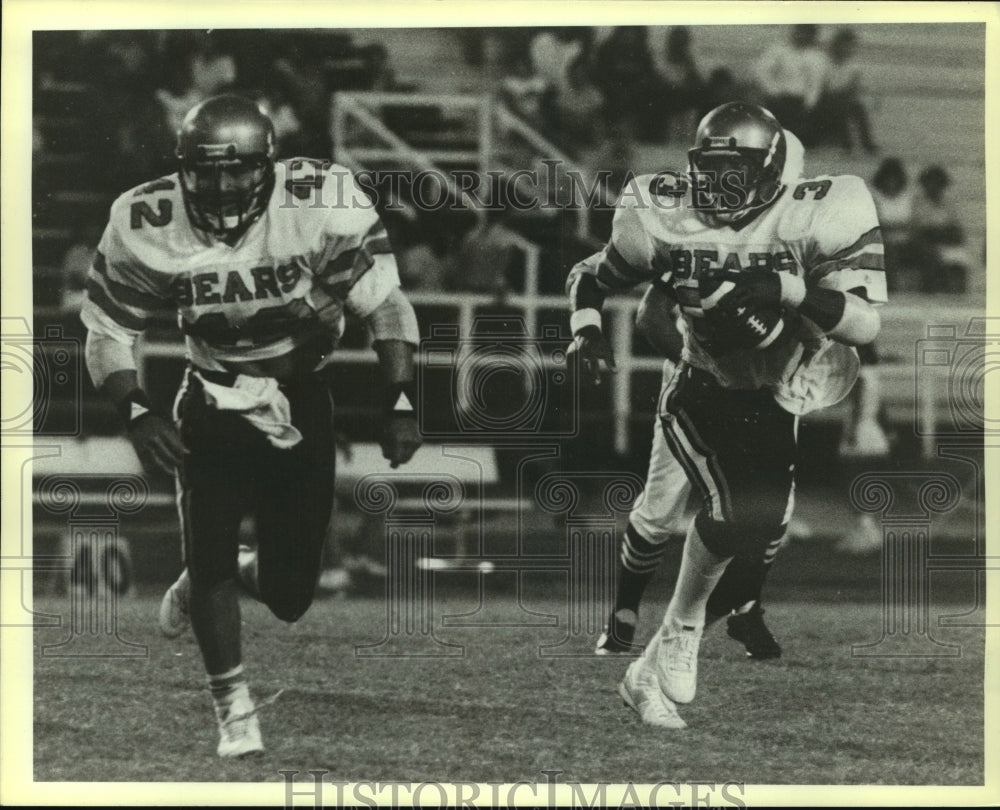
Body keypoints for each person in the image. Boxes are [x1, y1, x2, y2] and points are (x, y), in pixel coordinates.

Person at [79, 95, 422, 757]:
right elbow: (106, 333)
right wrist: (136, 411)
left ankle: (226, 569)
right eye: (206, 172)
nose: (222, 186)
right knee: (206, 551)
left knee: (293, 593)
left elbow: (385, 305)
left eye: (238, 171)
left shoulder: (319, 197)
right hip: (212, 392)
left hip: (300, 395)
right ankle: (231, 702)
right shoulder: (144, 218)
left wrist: (401, 398)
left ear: (269, 165)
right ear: (182, 168)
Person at [567, 101, 885, 728]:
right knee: (733, 511)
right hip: (701, 382)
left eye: (734, 172)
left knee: (760, 533)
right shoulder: (661, 211)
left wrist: (787, 289)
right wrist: (585, 330)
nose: (717, 186)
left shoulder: (822, 205)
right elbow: (593, 275)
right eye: (709, 170)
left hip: (778, 391)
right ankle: (678, 629)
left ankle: (645, 670)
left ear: (770, 169)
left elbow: (866, 323)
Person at [595, 128, 807, 662]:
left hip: (772, 390)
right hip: (705, 387)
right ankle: (623, 615)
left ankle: (745, 608)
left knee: (770, 512)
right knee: (662, 507)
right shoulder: (699, 234)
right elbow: (649, 314)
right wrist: (701, 367)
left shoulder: (803, 241)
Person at [755, 25, 828, 145]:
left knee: (800, 131)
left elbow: (815, 84)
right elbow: (762, 72)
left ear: (812, 36)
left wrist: (809, 105)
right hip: (776, 97)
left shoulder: (817, 57)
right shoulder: (778, 50)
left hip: (799, 101)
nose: (802, 36)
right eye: (800, 32)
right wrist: (772, 91)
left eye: (806, 34)